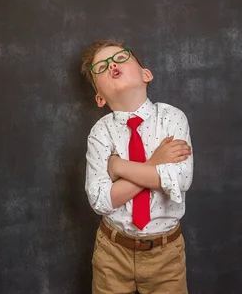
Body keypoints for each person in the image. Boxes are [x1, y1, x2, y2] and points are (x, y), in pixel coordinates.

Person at [80, 38, 194, 294]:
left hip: (166, 253)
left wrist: (118, 166)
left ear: (146, 74)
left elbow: (180, 180)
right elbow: (100, 200)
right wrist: (154, 164)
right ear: (99, 97)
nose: (111, 65)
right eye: (101, 67)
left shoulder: (172, 118)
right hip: (112, 251)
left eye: (120, 58)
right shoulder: (100, 133)